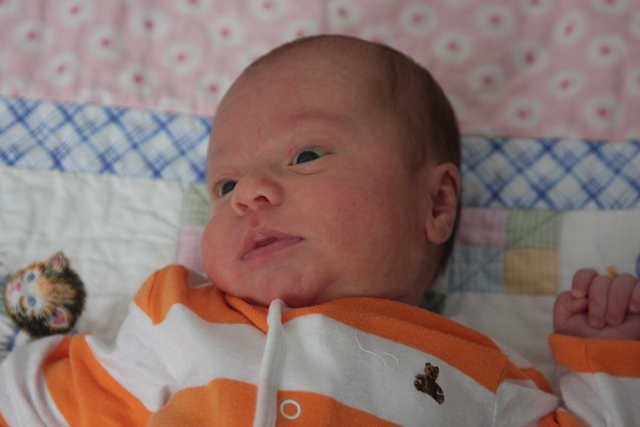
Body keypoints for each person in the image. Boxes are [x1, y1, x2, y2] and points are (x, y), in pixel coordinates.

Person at [1, 35, 639, 426]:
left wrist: (606, 365)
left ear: (436, 202)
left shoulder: (480, 376)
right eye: (224, 186)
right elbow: (35, 402)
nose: (247, 193)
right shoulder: (180, 320)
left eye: (306, 155)